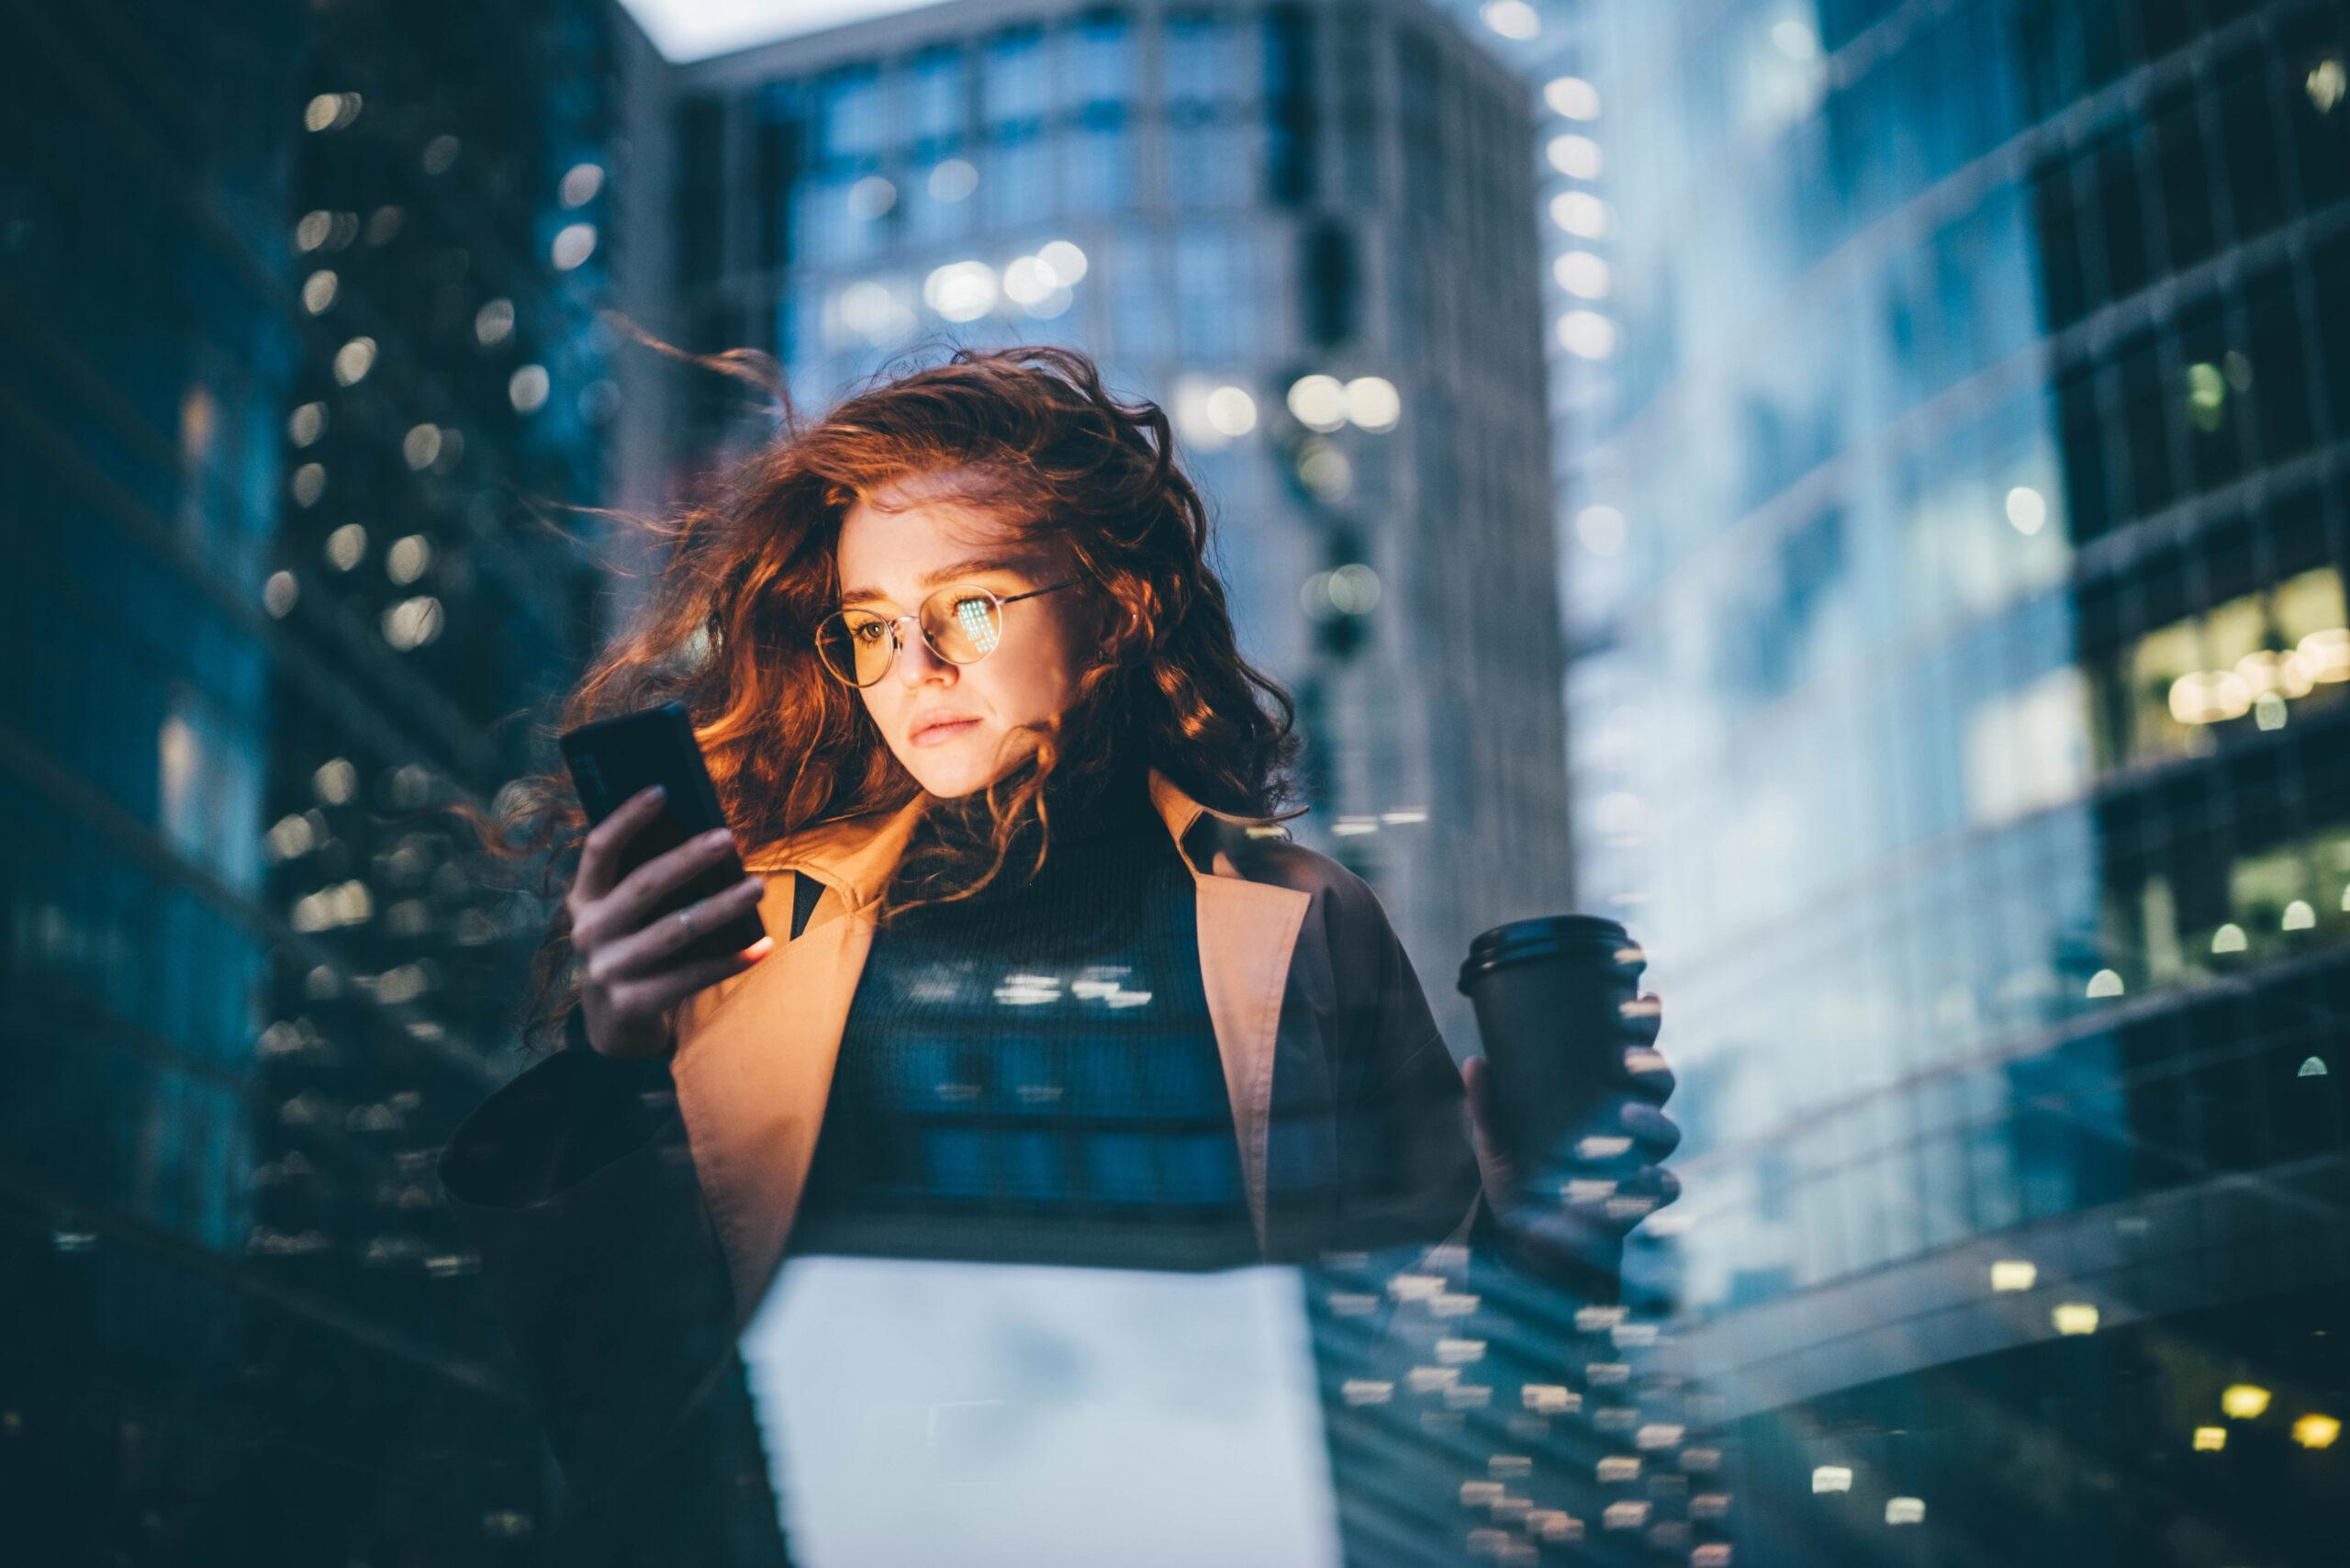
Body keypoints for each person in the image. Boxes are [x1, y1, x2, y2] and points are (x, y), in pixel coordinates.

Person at [437, 345, 1680, 1564]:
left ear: (1114, 605)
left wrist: (1541, 1242)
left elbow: (1439, 1400)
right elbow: (623, 1393)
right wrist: (616, 1061)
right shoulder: (761, 927)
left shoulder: (1300, 917)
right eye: (871, 629)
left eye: (969, 606)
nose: (913, 669)